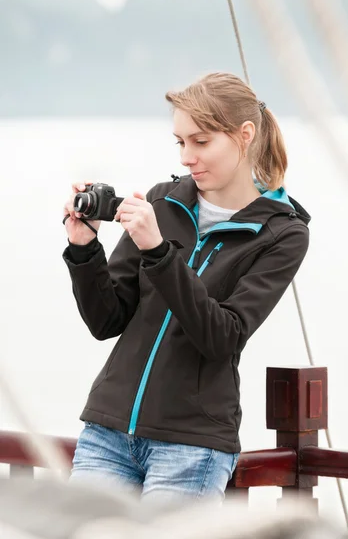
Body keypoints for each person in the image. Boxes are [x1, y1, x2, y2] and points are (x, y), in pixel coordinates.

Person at [62, 72, 311, 509]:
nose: (188, 156)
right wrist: (84, 250)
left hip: (191, 446)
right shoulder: (164, 201)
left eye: (201, 141)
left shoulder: (281, 234)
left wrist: (158, 252)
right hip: (108, 431)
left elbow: (223, 336)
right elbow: (106, 321)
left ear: (244, 135)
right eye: (180, 142)